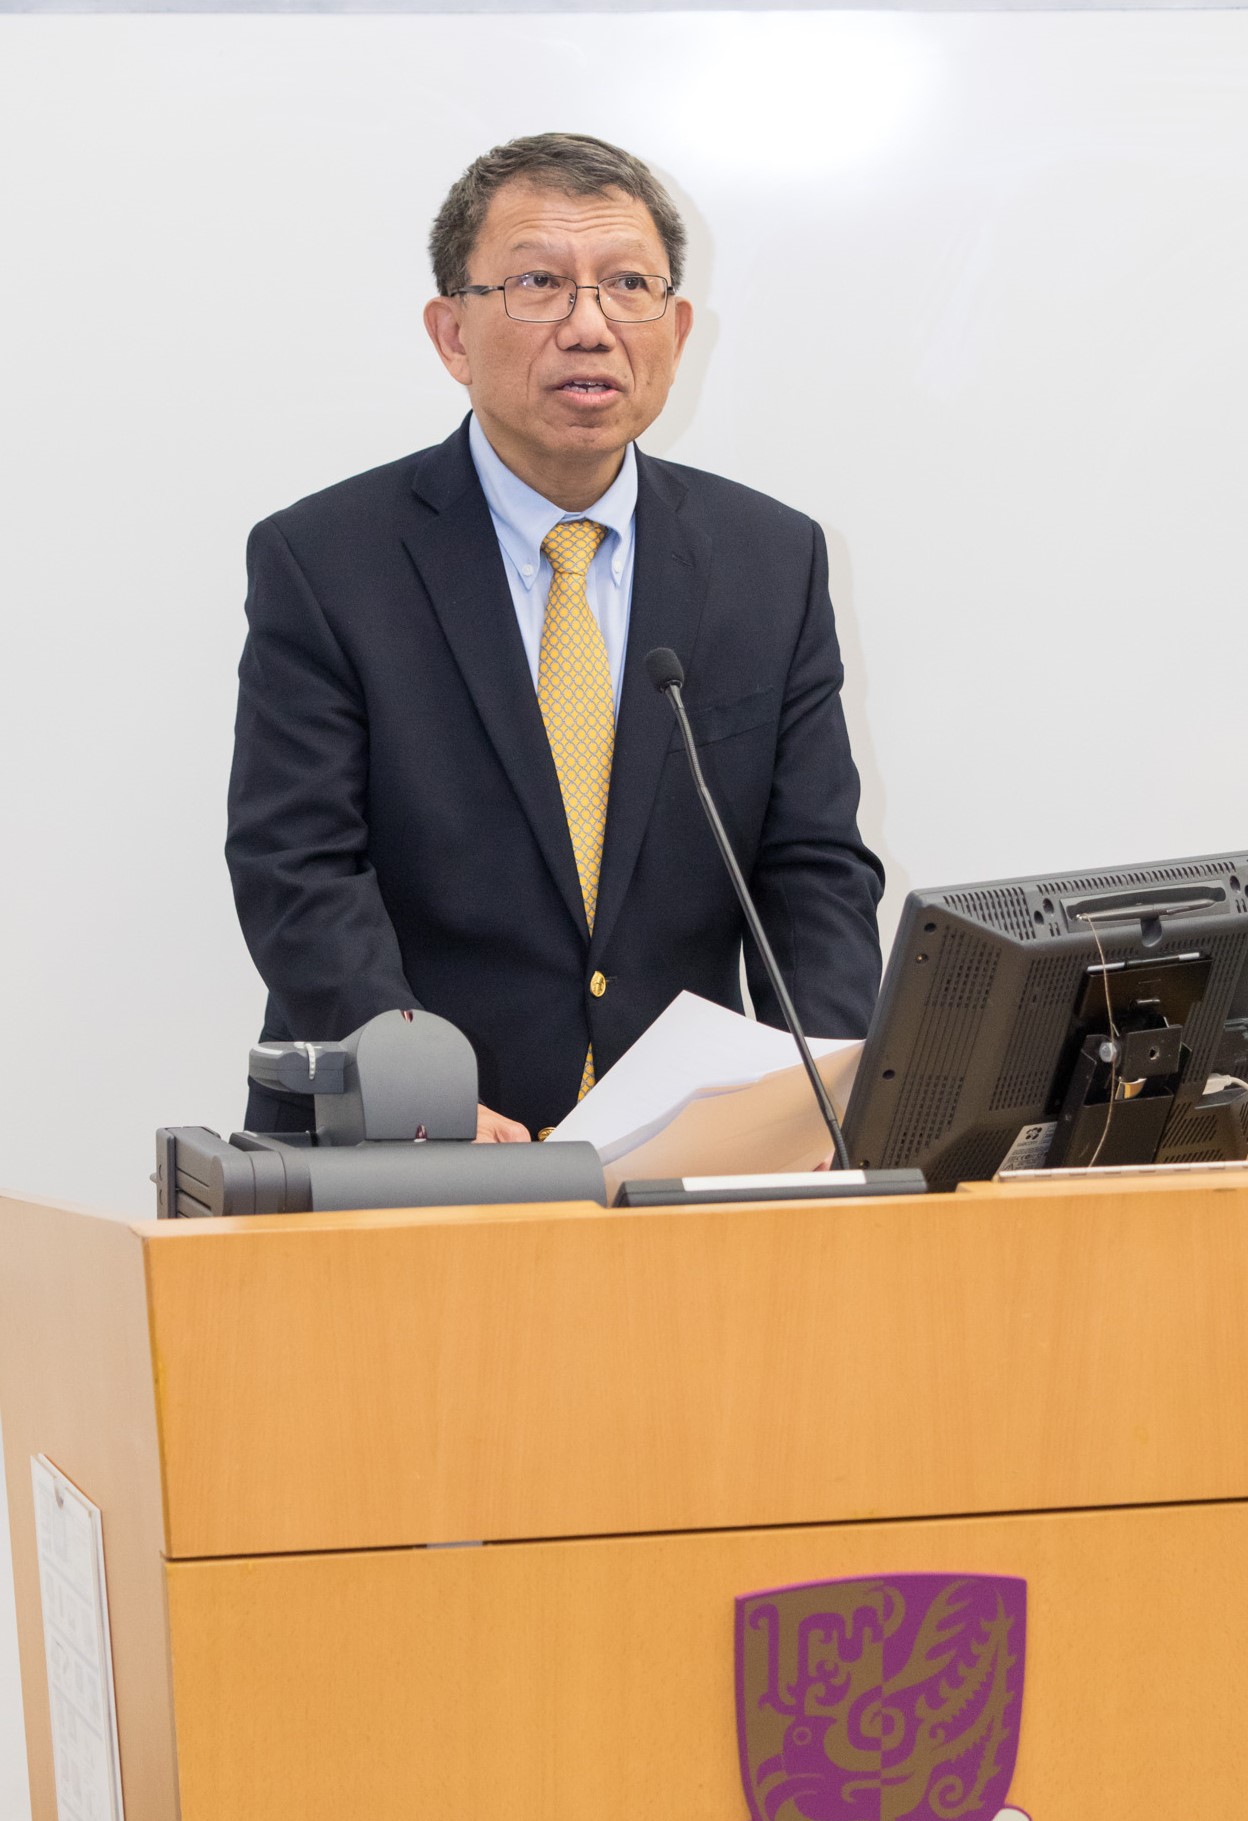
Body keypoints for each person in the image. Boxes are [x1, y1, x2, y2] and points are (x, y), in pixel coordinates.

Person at [227, 132, 884, 1144]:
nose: (589, 327)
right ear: (451, 334)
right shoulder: (325, 561)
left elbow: (811, 875)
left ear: (675, 329)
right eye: (538, 283)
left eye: (628, 285)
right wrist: (416, 1094)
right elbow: (299, 867)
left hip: (684, 1151)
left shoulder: (771, 560)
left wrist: (838, 1110)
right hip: (402, 1148)